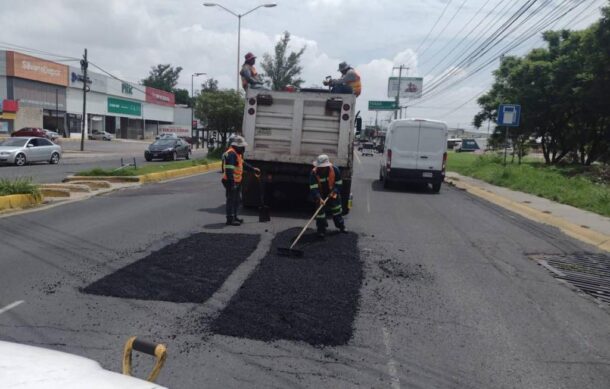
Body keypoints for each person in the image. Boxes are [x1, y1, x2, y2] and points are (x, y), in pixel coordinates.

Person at [222, 136, 260, 226]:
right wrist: (232, 184)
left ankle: (235, 217)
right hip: (231, 181)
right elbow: (229, 170)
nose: (243, 148)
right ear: (237, 146)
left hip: (237, 181)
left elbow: (243, 163)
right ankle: (230, 219)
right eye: (242, 146)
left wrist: (253, 169)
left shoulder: (237, 154)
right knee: (231, 200)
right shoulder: (231, 154)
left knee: (237, 200)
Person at [309, 154, 347, 238]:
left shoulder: (335, 170)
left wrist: (334, 191)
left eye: (323, 167)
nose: (321, 168)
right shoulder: (313, 173)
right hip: (320, 194)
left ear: (327, 166)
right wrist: (319, 198)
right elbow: (313, 188)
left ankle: (341, 226)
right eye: (320, 167)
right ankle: (321, 230)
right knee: (320, 213)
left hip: (332, 193)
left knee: (337, 210)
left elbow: (339, 184)